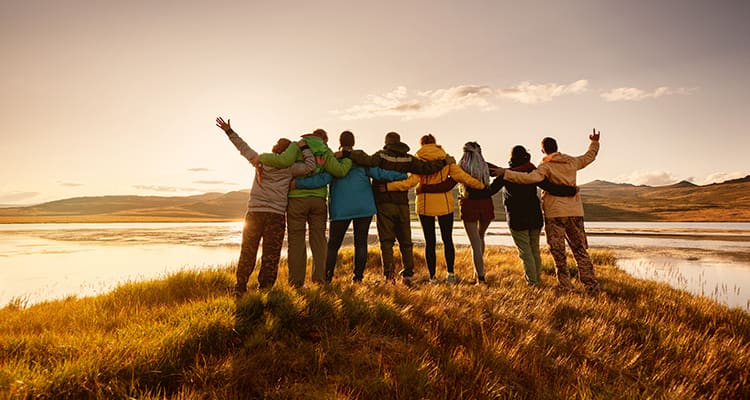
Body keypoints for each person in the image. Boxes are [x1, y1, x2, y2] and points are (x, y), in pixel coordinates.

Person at [420, 142, 577, 285]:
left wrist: (427, 188)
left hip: (495, 212)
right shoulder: (525, 171)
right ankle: (532, 279)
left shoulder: (482, 170)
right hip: (514, 213)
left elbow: (461, 186)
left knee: (490, 245)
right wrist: (570, 190)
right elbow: (546, 185)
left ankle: (492, 278)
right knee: (530, 249)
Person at [215, 117, 316, 296]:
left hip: (254, 213)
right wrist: (304, 147)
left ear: (274, 149)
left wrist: (229, 131)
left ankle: (240, 287)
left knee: (248, 250)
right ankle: (265, 289)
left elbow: (243, 147)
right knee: (271, 254)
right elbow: (310, 166)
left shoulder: (260, 161)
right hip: (276, 215)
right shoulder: (291, 168)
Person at [494, 129, 602, 295]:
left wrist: (506, 174)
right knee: (580, 249)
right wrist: (594, 142)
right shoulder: (572, 162)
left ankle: (566, 286)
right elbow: (589, 157)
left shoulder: (545, 167)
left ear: (543, 150)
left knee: (559, 253)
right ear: (557, 147)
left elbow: (528, 178)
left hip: (554, 214)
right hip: (575, 212)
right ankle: (591, 286)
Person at [293, 131, 407, 283]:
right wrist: (402, 175)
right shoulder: (361, 159)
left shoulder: (333, 160)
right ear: (353, 142)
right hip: (364, 208)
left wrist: (298, 183)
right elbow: (380, 173)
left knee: (333, 244)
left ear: (340, 142)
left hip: (341, 209)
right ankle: (357, 278)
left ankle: (327, 277)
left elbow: (322, 179)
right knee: (361, 243)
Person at [348, 131, 448, 283]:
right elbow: (426, 168)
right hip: (402, 203)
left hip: (384, 203)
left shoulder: (381, 155)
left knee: (386, 241)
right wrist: (443, 162)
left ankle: (389, 274)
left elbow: (366, 160)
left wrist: (349, 152)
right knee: (405, 240)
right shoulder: (408, 158)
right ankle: (408, 272)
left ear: (386, 142)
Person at [257, 128, 352, 288]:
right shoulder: (325, 151)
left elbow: (282, 162)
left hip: (296, 200)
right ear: (324, 139)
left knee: (296, 242)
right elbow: (339, 171)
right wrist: (348, 158)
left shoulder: (296, 145)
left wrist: (259, 157)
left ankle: (296, 283)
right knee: (319, 241)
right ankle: (319, 281)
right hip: (318, 201)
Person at [384, 134, 485, 284]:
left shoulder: (418, 160)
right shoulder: (446, 159)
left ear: (422, 144)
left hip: (424, 206)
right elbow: (463, 177)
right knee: (447, 240)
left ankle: (432, 277)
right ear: (435, 143)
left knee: (429, 242)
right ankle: (450, 274)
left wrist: (388, 187)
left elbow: (410, 182)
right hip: (445, 205)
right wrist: (481, 185)